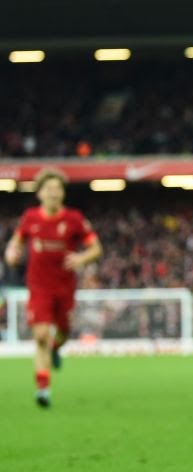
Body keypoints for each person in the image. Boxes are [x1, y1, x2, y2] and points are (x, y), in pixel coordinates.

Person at [4, 169, 102, 407]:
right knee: (39, 336)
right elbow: (15, 244)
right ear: (39, 194)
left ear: (63, 193)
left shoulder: (74, 219)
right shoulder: (30, 218)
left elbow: (96, 249)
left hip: (64, 287)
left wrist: (81, 259)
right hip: (38, 286)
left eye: (57, 189)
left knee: (63, 332)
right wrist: (10, 253)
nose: (53, 193)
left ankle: (56, 348)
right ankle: (43, 389)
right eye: (49, 189)